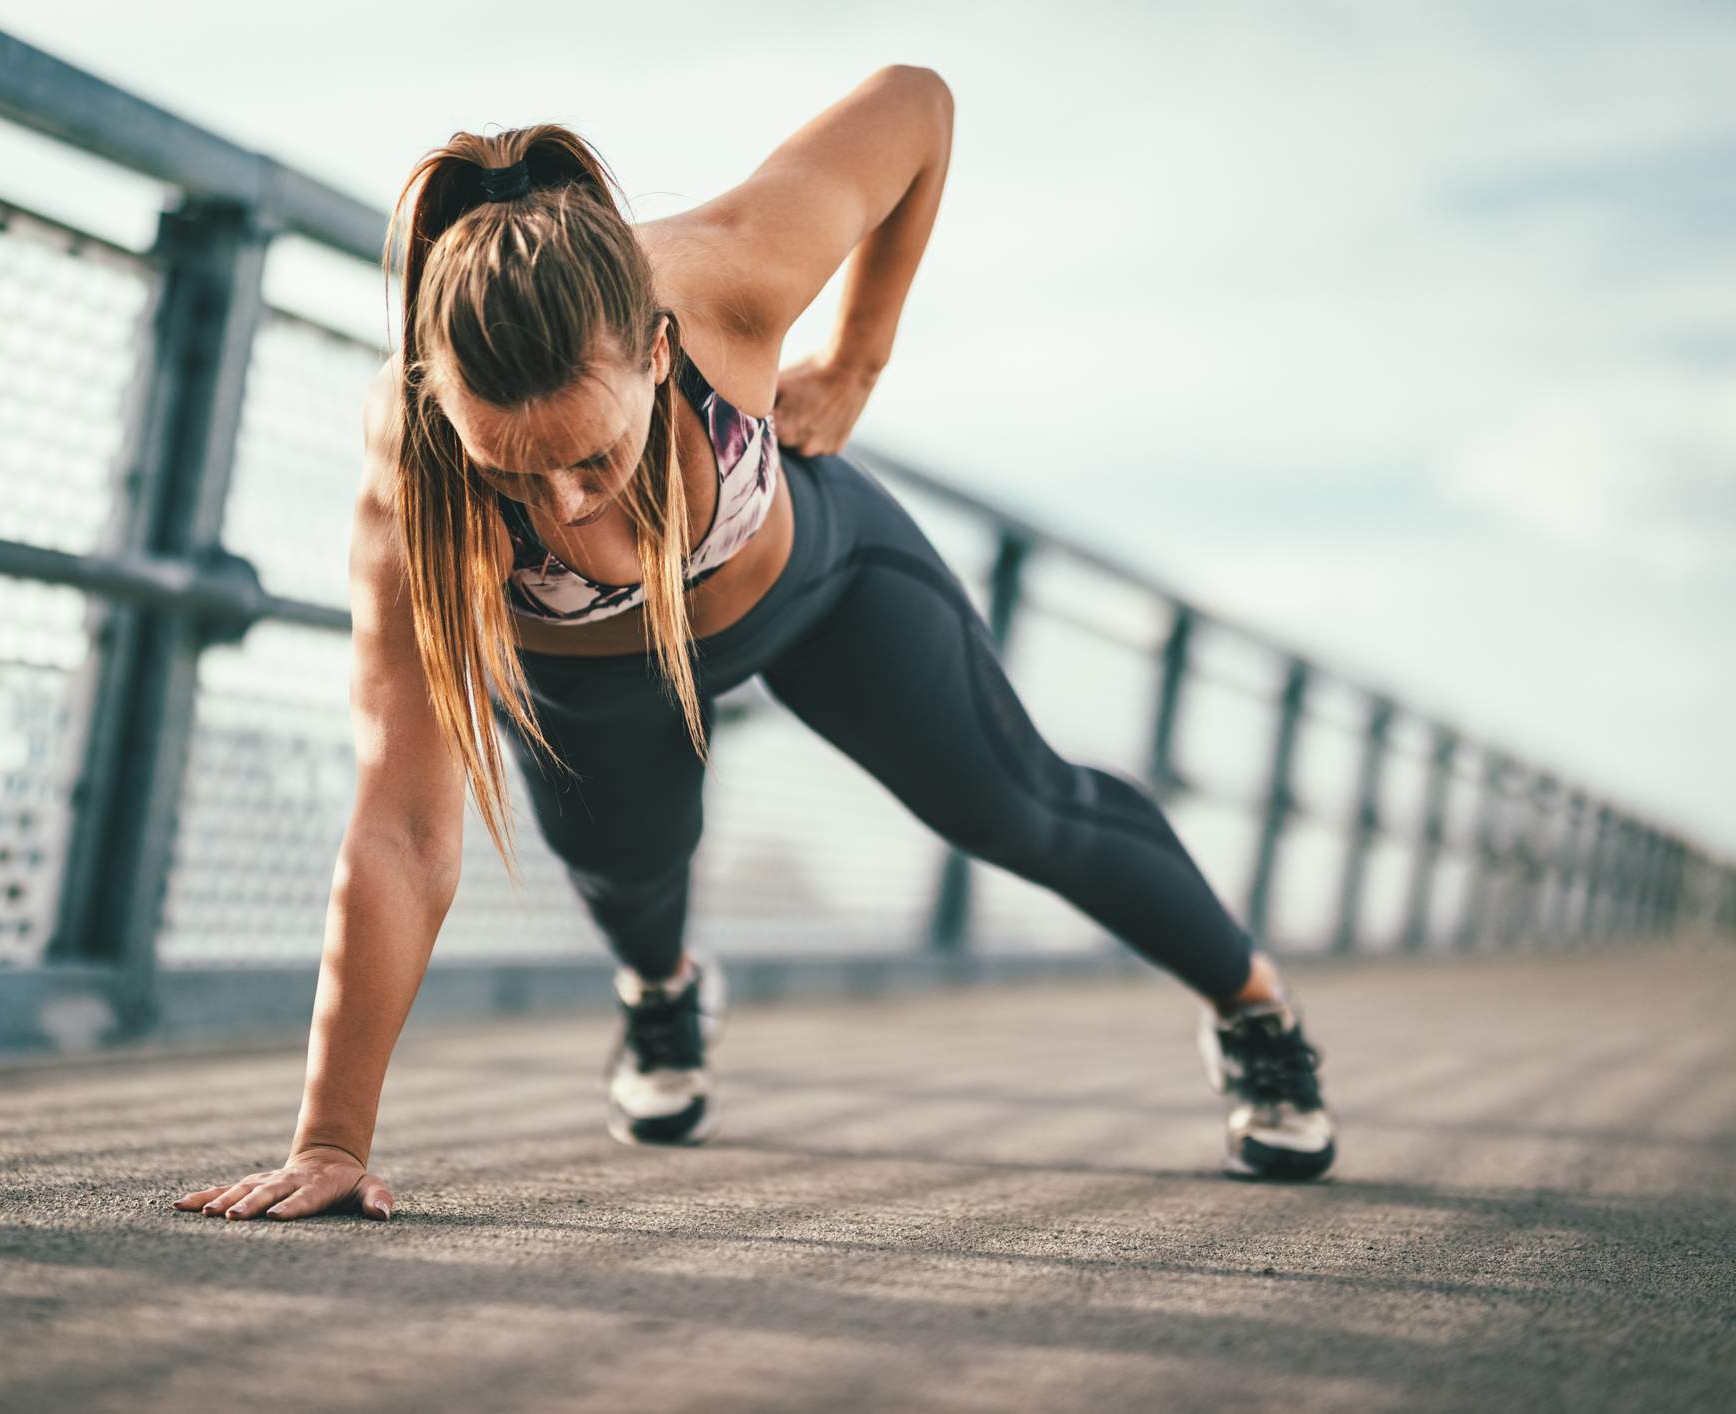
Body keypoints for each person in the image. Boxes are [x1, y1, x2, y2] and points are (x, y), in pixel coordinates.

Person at [176, 66, 1335, 1225]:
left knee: (1018, 806)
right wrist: (330, 1138)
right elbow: (403, 827)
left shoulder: (731, 270)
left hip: (818, 587)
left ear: (658, 348)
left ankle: (1258, 1013)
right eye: (512, 474)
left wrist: (858, 361)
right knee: (632, 873)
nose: (566, 508)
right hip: (595, 685)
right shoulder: (414, 468)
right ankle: (666, 992)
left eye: (593, 455)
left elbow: (919, 103)